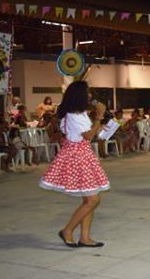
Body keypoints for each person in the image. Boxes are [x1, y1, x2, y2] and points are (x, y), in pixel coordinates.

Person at [39, 81, 110, 248]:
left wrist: (104, 127)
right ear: (79, 95)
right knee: (93, 200)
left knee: (88, 199)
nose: (90, 96)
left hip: (82, 154)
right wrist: (99, 117)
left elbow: (90, 133)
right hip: (78, 157)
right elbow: (88, 136)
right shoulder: (74, 115)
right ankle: (67, 230)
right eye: (87, 92)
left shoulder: (79, 114)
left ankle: (84, 237)